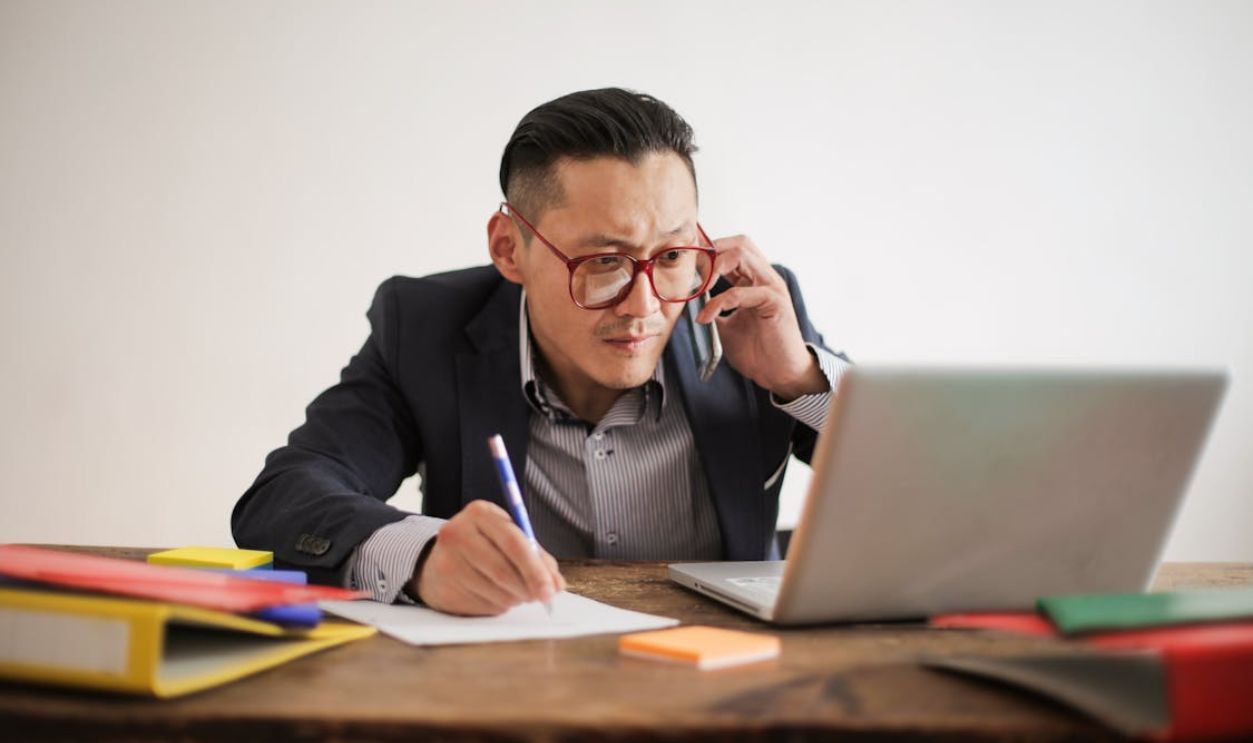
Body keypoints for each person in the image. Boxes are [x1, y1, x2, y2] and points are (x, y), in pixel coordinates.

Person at [232, 88, 850, 616]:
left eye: (671, 256)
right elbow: (287, 493)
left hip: (726, 681)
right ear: (509, 249)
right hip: (515, 682)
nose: (645, 305)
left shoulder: (747, 313)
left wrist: (799, 378)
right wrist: (421, 557)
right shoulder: (426, 328)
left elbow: (924, 482)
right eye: (603, 262)